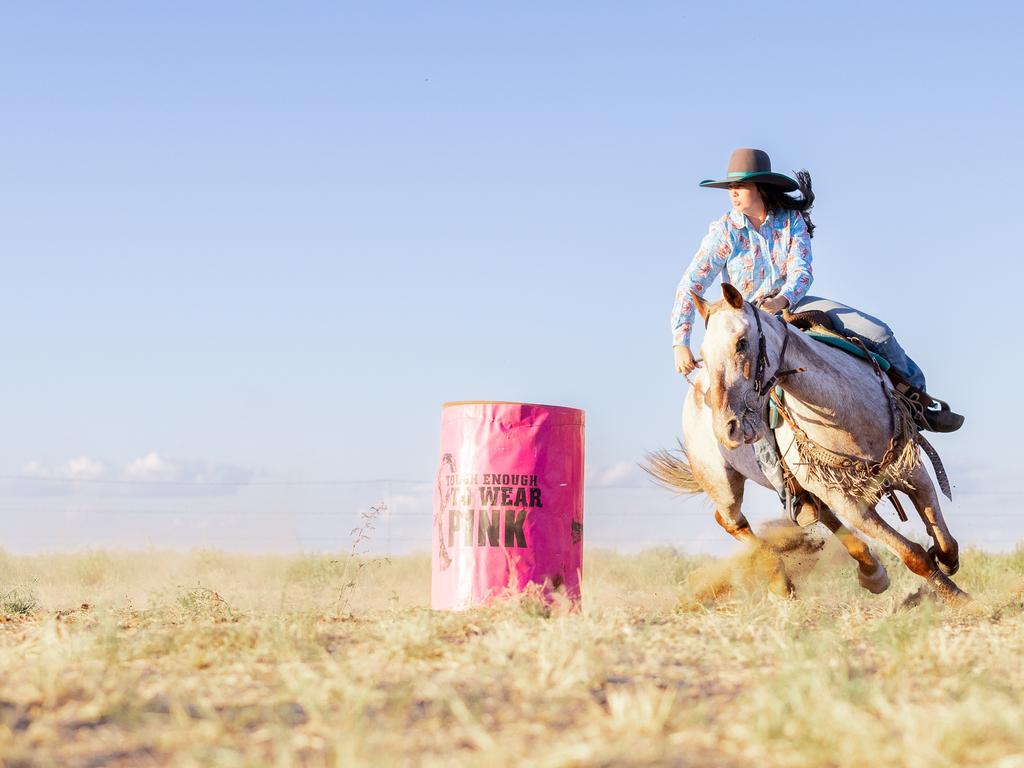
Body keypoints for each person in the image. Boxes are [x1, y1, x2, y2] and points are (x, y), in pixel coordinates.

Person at [670, 147, 964, 435]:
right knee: (749, 382)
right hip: (747, 319)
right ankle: (770, 462)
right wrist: (680, 342)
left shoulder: (790, 221)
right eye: (730, 186)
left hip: (791, 304)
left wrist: (782, 300)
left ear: (760, 187)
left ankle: (919, 404)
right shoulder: (724, 232)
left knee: (879, 333)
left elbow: (802, 270)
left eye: (741, 185)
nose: (733, 192)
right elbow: (692, 282)